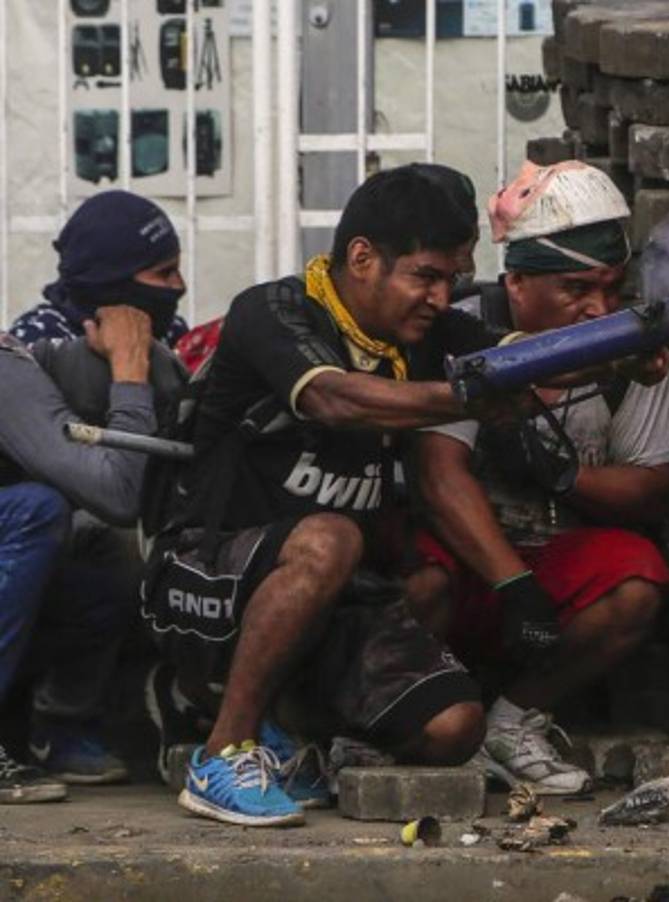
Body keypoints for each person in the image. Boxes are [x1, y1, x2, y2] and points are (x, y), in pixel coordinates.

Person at [139, 163, 505, 829]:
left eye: (452, 279)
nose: (442, 298)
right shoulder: (272, 311)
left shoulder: (426, 333)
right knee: (332, 535)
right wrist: (469, 393)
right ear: (362, 258)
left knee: (454, 725)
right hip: (205, 575)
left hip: (335, 596)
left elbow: (523, 356)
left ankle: (298, 737)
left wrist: (614, 352)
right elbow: (333, 398)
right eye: (425, 275)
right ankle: (222, 750)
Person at [413, 161, 669, 795]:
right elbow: (439, 479)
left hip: (550, 569)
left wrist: (564, 477)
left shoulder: (628, 348)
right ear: (516, 282)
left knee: (636, 576)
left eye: (611, 287)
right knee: (415, 576)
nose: (597, 308)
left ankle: (511, 722)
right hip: (469, 569)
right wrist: (511, 585)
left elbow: (651, 487)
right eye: (574, 289)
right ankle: (394, 719)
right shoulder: (463, 332)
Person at [0, 305, 158, 803]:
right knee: (38, 510)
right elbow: (119, 492)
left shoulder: (31, 353)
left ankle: (56, 726)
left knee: (98, 576)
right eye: (162, 273)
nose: (175, 288)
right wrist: (130, 372)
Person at [9, 190, 189, 347]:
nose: (179, 286)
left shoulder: (172, 334)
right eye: (164, 273)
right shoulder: (39, 344)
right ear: (111, 279)